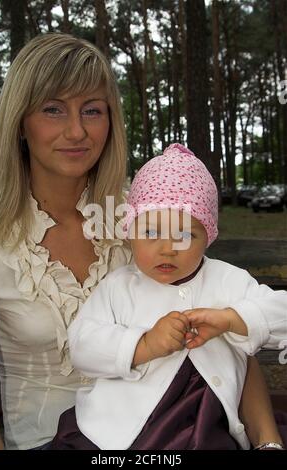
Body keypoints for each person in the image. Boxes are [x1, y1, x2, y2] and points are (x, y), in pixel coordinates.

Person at [49, 144, 287, 450]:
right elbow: (82, 346)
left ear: (208, 236)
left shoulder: (228, 280)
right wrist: (142, 345)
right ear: (131, 232)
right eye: (150, 233)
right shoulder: (119, 286)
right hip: (119, 429)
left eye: (185, 235)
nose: (167, 248)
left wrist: (233, 319)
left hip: (203, 425)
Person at [0, 32, 132, 450]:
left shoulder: (139, 220)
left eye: (92, 110)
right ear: (20, 121)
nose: (76, 130)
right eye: (53, 109)